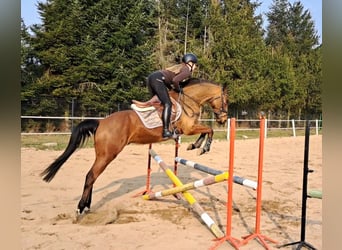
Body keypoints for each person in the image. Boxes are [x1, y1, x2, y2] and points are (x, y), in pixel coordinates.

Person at [146, 53, 198, 138]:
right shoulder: (186, 71)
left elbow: (169, 79)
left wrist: (171, 88)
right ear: (190, 63)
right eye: (195, 64)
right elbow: (175, 80)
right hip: (158, 80)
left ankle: (154, 125)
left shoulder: (180, 67)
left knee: (158, 104)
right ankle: (165, 131)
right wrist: (178, 89)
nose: (195, 67)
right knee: (168, 104)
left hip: (152, 78)